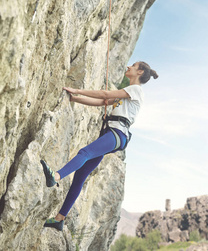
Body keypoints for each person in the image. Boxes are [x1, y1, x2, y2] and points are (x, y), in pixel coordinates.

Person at [40, 61, 158, 231]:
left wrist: (78, 89)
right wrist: (76, 98)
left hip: (117, 135)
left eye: (132, 66)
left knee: (85, 152)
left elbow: (104, 94)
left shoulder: (136, 90)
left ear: (139, 72)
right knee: (81, 174)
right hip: (113, 136)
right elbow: (102, 102)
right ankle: (59, 219)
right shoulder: (127, 94)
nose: (128, 67)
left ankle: (56, 177)